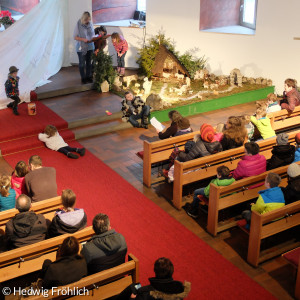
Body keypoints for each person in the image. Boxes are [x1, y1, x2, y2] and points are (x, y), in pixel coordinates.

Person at [117, 257, 191, 300]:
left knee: (133, 287)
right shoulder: (180, 288)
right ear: (172, 271)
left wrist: (132, 298)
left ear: (155, 271)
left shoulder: (145, 292)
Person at [73, 11, 95, 84]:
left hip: (90, 46)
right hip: (81, 47)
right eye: (86, 20)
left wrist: (94, 38)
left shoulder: (90, 24)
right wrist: (83, 39)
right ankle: (83, 78)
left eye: (89, 19)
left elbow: (92, 34)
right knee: (82, 64)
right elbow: (75, 37)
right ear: (83, 19)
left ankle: (88, 77)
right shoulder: (78, 24)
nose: (87, 21)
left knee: (89, 63)